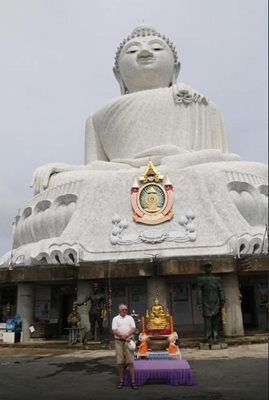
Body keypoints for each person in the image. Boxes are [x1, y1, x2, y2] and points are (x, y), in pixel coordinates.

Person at [31, 24, 231, 195]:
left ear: (175, 69)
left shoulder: (198, 103)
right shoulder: (97, 118)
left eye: (157, 49)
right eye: (133, 51)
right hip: (120, 176)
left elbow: (220, 162)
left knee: (250, 173)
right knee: (60, 185)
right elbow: (94, 172)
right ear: (118, 75)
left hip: (187, 173)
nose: (145, 53)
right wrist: (62, 171)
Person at [197, 261, 225, 342]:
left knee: (216, 319)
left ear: (212, 268)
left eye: (209, 267)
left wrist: (222, 299)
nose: (208, 269)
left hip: (216, 302)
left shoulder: (217, 279)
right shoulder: (201, 279)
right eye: (206, 267)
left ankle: (215, 334)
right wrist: (199, 302)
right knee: (208, 320)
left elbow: (220, 290)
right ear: (204, 269)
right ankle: (208, 336)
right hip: (206, 302)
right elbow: (199, 292)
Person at [112, 304, 138, 390]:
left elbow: (133, 328)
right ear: (119, 310)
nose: (125, 311)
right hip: (119, 342)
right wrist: (123, 337)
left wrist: (127, 335)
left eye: (126, 309)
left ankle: (133, 381)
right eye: (123, 310)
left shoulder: (130, 318)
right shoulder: (115, 318)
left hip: (129, 341)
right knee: (120, 362)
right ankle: (121, 381)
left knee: (130, 362)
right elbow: (114, 330)